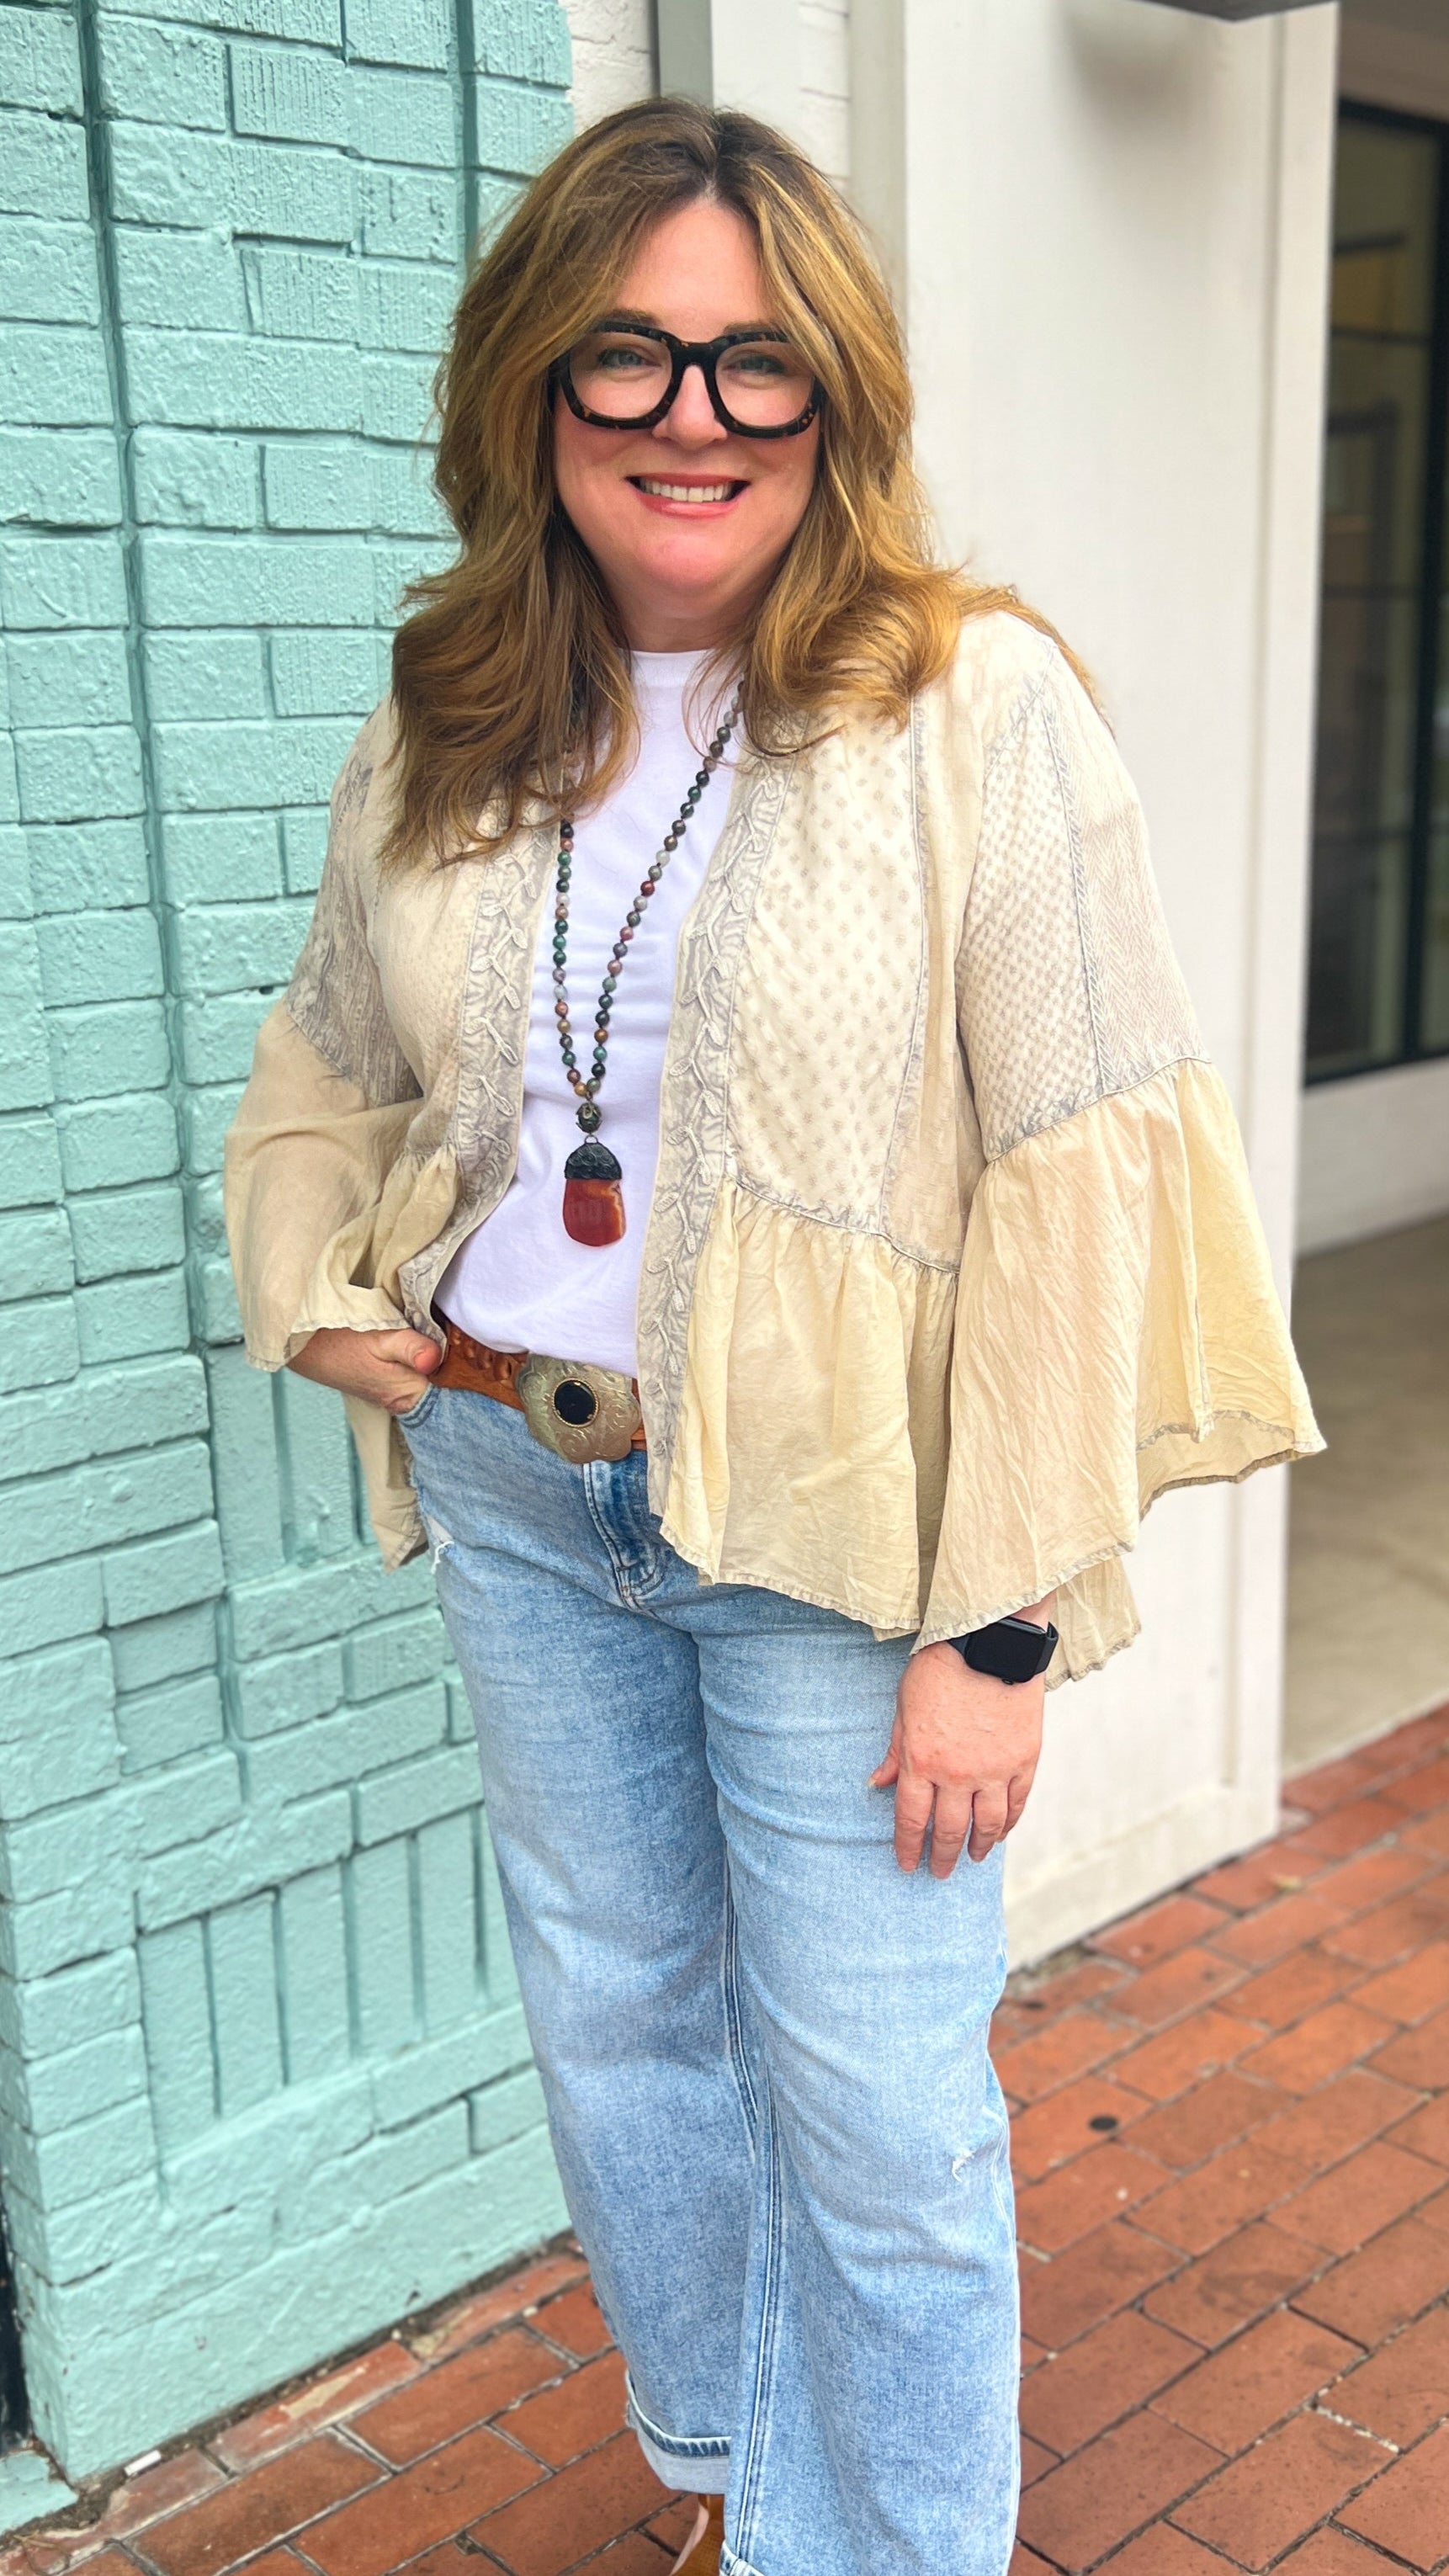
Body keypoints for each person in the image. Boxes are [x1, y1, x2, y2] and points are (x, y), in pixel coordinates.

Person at [225, 98, 1321, 2576]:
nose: (692, 421)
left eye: (754, 366)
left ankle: (895, 2548)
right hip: (521, 1483)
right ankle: (728, 2475)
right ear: (530, 392)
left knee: (878, 2106)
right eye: (626, 361)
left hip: (847, 1539)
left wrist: (1006, 1616)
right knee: (621, 2030)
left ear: (833, 398)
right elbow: (327, 1054)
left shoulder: (970, 706)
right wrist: (315, 1293)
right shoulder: (442, 719)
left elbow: (1079, 1159)